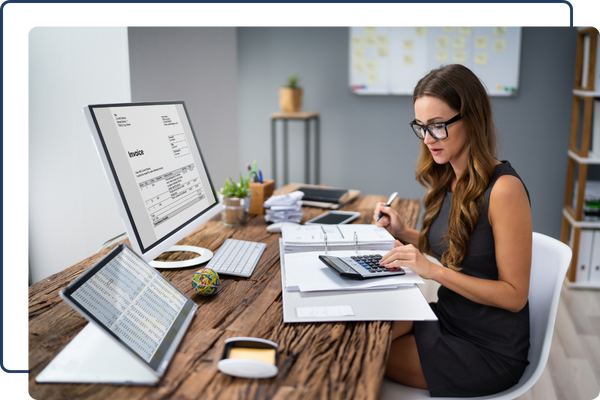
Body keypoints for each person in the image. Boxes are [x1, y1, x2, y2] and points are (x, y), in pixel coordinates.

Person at [374, 64, 532, 397]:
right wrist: (406, 234)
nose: (429, 139)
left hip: (487, 349)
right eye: (421, 127)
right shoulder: (451, 177)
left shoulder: (504, 190)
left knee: (366, 354)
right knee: (363, 332)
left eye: (438, 126)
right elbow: (464, 250)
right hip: (449, 317)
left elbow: (515, 296)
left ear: (472, 118)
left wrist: (433, 272)